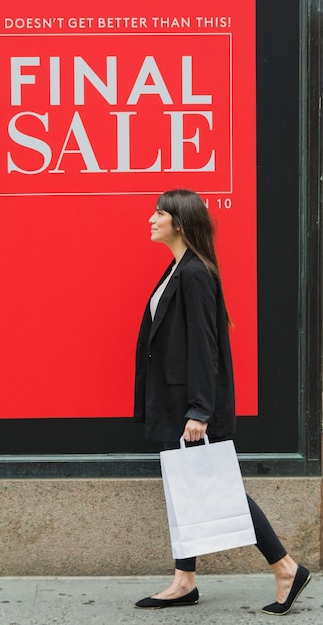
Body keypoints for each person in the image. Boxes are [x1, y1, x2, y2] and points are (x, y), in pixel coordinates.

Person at [132, 189, 310, 615]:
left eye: (159, 213)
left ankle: (286, 567)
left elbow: (205, 347)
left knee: (222, 490)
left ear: (179, 220)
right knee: (184, 487)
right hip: (174, 401)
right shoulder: (177, 269)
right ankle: (184, 580)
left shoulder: (194, 273)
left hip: (188, 406)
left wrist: (199, 410)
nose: (150, 219)